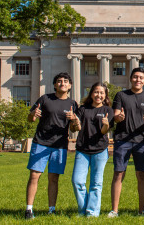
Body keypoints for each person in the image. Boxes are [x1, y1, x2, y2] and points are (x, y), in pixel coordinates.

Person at [24, 72, 78, 219]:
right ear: (55, 85)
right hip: (41, 142)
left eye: (65, 81)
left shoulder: (72, 104)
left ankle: (51, 209)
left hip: (60, 145)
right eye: (59, 81)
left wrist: (74, 120)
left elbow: (74, 129)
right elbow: (31, 118)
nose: (62, 83)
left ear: (70, 85)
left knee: (54, 178)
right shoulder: (45, 99)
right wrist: (33, 114)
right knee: (35, 175)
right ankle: (29, 209)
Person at [108, 67, 144, 217]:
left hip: (142, 141)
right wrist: (119, 118)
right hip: (122, 140)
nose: (138, 80)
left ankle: (142, 210)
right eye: (135, 77)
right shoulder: (121, 95)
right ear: (131, 79)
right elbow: (116, 116)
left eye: (141, 78)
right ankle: (114, 210)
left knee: (142, 174)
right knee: (118, 173)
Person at [69, 82, 114, 217]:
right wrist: (75, 123)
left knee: (96, 183)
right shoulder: (83, 109)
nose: (98, 95)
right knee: (77, 181)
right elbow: (74, 129)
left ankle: (92, 212)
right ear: (91, 93)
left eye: (101, 93)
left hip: (100, 150)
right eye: (96, 92)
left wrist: (106, 125)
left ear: (105, 95)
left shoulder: (108, 111)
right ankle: (83, 209)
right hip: (82, 149)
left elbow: (104, 131)